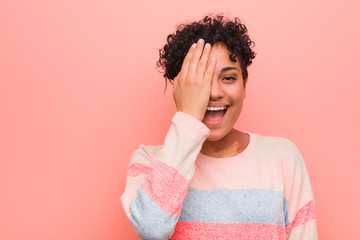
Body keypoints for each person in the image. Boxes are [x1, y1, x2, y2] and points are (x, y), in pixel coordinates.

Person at [121, 14, 317, 240]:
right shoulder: (150, 161)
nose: (213, 92)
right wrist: (188, 116)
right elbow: (152, 229)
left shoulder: (283, 158)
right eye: (199, 81)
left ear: (244, 85)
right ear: (180, 88)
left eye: (228, 78)